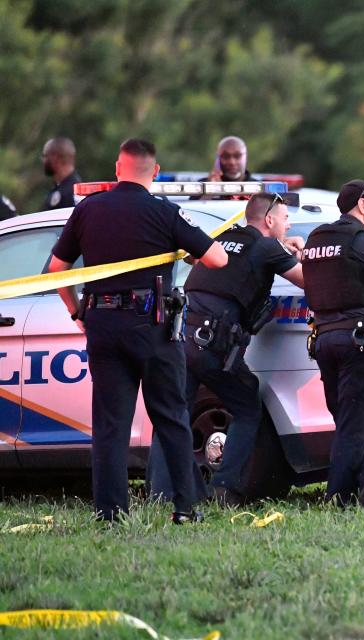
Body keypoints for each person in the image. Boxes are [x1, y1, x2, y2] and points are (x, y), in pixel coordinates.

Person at [47, 138, 228, 523]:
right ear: (156, 172)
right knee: (170, 417)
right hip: (153, 327)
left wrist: (76, 310)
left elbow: (57, 270)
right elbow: (217, 258)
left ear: (117, 168)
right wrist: (185, 249)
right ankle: (184, 508)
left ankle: (110, 512)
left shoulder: (88, 209)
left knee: (110, 423)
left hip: (103, 325)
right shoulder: (164, 212)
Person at [146, 191, 305, 507]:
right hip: (211, 345)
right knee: (247, 404)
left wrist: (282, 248)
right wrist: (300, 254)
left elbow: (198, 257)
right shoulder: (266, 246)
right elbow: (307, 281)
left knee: (175, 412)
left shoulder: (223, 237)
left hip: (179, 337)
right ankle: (225, 486)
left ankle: (162, 495)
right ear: (269, 219)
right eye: (286, 219)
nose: (288, 226)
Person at [302, 179, 364, 507]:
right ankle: (338, 495)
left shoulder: (316, 238)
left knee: (346, 416)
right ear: (362, 205)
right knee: (355, 420)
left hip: (324, 340)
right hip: (360, 340)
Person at [40, 137, 81, 210]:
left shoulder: (72, 195)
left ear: (55, 158)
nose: (43, 160)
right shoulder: (69, 189)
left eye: (45, 156)